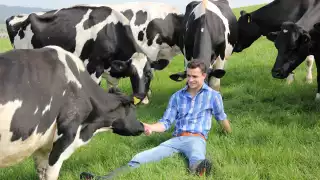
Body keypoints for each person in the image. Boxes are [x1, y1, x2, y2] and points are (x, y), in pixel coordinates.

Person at [80, 60, 232, 179]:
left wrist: (228, 133)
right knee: (140, 158)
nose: (190, 79)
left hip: (196, 138)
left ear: (204, 76)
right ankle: (103, 178)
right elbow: (166, 122)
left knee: (197, 157)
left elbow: (221, 117)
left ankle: (200, 169)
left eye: (195, 76)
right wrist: (151, 127)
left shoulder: (213, 96)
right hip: (175, 141)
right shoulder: (177, 96)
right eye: (188, 75)